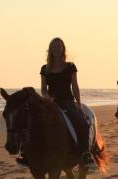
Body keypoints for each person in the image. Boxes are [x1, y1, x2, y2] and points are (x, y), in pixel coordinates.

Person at [39, 37, 94, 166]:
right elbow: (43, 90)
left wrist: (79, 103)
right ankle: (29, 154)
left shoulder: (70, 66)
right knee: (33, 122)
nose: (56, 49)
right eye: (54, 47)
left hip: (67, 101)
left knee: (82, 122)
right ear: (50, 50)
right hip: (51, 103)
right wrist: (48, 98)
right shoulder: (45, 68)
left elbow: (75, 86)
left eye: (59, 46)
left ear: (63, 49)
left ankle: (86, 153)